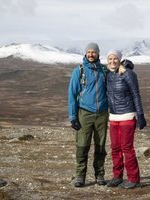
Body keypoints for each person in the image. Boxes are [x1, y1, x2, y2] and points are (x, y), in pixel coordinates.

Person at [68, 42, 108, 187]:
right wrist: (73, 117)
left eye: (94, 52)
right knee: (82, 145)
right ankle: (80, 176)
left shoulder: (104, 70)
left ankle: (100, 174)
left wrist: (126, 66)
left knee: (100, 146)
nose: (91, 54)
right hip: (84, 113)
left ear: (98, 54)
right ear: (85, 53)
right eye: (89, 52)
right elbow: (72, 94)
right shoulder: (79, 71)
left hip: (102, 114)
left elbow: (116, 76)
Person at [106, 50, 147, 189]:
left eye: (115, 58)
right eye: (110, 59)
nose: (112, 61)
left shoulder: (128, 74)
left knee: (127, 148)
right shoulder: (108, 75)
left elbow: (136, 94)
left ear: (119, 59)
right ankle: (117, 177)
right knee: (115, 147)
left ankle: (134, 178)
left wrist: (140, 115)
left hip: (127, 116)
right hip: (113, 117)